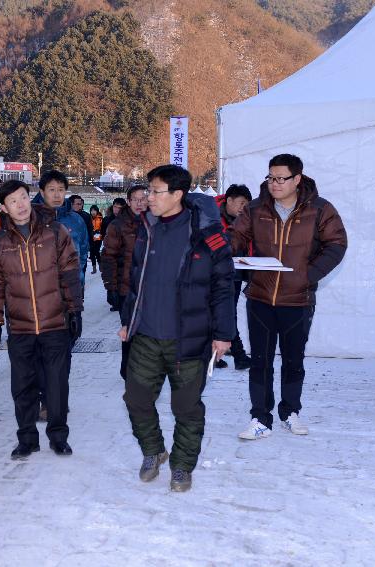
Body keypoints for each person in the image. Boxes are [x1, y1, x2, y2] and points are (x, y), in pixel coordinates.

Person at [119, 165, 235, 492]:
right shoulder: (147, 227)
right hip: (145, 335)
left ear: (177, 195)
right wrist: (128, 321)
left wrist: (223, 334)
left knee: (185, 406)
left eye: (156, 191)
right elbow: (137, 280)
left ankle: (183, 465)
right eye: (148, 190)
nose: (148, 197)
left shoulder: (206, 234)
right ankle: (153, 451)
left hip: (189, 337)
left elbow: (224, 285)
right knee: (136, 398)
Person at [230, 154, 347, 440]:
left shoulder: (320, 209)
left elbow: (337, 243)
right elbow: (235, 238)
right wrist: (234, 260)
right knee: (260, 361)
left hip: (298, 299)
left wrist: (308, 274)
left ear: (297, 179)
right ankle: (260, 417)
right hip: (260, 298)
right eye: (271, 177)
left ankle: (290, 411)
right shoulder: (256, 208)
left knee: (293, 360)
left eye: (282, 178)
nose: (275, 183)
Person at [0, 180, 83, 459]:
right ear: (3, 208)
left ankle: (58, 436)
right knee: (23, 386)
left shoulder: (55, 232)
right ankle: (27, 438)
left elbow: (69, 273)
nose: (21, 205)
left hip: (55, 323)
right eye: (13, 201)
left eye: (23, 198)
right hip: (21, 326)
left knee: (56, 384)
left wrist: (75, 310)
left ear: (31, 198)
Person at [100, 184, 147, 377]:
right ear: (128, 202)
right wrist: (111, 287)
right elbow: (108, 256)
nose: (139, 203)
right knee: (130, 331)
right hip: (127, 288)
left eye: (143, 198)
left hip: (151, 288)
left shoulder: (156, 221)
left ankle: (144, 368)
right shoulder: (118, 225)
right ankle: (127, 368)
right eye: (135, 199)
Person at [214, 183, 253, 371]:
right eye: (241, 203)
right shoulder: (211, 215)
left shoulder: (245, 220)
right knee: (223, 313)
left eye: (247, 205)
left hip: (235, 274)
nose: (243, 208)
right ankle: (238, 355)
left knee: (227, 313)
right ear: (229, 200)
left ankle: (224, 355)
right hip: (213, 274)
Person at [32, 171, 88, 284]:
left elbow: (83, 250)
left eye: (61, 190)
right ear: (42, 192)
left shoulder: (76, 220)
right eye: (52, 190)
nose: (57, 195)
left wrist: (77, 274)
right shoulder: (29, 219)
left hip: (70, 286)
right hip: (39, 290)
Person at [69, 194, 94, 277]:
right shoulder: (65, 217)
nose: (81, 206)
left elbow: (90, 232)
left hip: (82, 249)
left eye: (81, 204)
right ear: (71, 204)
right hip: (69, 251)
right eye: (78, 204)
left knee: (82, 271)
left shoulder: (86, 216)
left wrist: (90, 246)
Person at [88, 205, 102, 274]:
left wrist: (99, 231)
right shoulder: (89, 218)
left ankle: (100, 266)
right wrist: (91, 232)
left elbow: (103, 227)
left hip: (98, 238)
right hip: (91, 238)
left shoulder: (100, 218)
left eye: (94, 210)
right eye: (92, 210)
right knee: (92, 253)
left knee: (96, 252)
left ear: (97, 211)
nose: (93, 212)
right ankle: (94, 268)